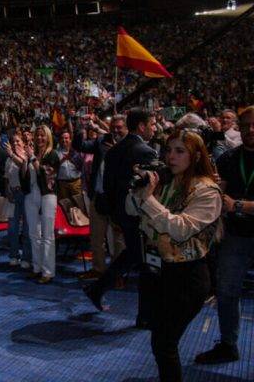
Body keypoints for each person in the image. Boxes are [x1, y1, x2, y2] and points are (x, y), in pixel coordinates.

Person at [126, 130, 221, 381]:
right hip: (159, 270)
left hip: (187, 276)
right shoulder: (168, 181)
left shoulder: (207, 191)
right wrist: (139, 190)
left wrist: (148, 200)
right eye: (168, 150)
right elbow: (131, 211)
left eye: (180, 151)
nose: (171, 156)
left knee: (164, 343)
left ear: (196, 156)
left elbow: (180, 230)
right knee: (160, 340)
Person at [84, 107, 158, 326]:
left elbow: (107, 185)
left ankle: (97, 289)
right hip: (141, 215)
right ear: (142, 126)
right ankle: (144, 316)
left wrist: (116, 212)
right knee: (143, 262)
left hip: (121, 214)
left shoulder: (114, 151)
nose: (154, 129)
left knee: (136, 257)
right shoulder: (146, 151)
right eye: (152, 124)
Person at [195, 105, 254, 365]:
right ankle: (228, 344)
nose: (251, 130)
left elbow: (231, 201)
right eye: (247, 124)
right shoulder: (229, 159)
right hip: (235, 235)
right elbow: (219, 195)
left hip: (240, 225)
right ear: (238, 127)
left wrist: (239, 205)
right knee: (227, 291)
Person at [73, 115, 128, 280]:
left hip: (118, 199)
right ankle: (98, 269)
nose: (116, 130)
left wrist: (116, 148)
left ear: (126, 128)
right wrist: (81, 128)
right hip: (98, 196)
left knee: (119, 240)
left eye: (120, 127)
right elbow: (79, 145)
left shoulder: (129, 145)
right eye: (114, 127)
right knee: (96, 237)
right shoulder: (101, 140)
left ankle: (118, 275)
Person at [21, 125, 60, 283]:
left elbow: (46, 174)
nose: (39, 138)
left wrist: (33, 159)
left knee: (47, 235)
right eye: (37, 135)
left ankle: (48, 272)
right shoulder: (32, 154)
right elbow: (25, 176)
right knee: (33, 233)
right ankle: (37, 267)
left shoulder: (52, 154)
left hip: (48, 195)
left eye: (43, 136)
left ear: (48, 137)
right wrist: (24, 161)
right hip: (31, 195)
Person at [3, 132, 32, 268]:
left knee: (26, 229)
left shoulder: (26, 156)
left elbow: (22, 166)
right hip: (12, 195)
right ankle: (14, 255)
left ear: (23, 142)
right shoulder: (8, 159)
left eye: (18, 141)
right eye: (13, 142)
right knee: (12, 228)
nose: (15, 144)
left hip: (26, 195)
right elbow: (6, 178)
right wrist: (7, 190)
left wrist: (11, 154)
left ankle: (26, 257)